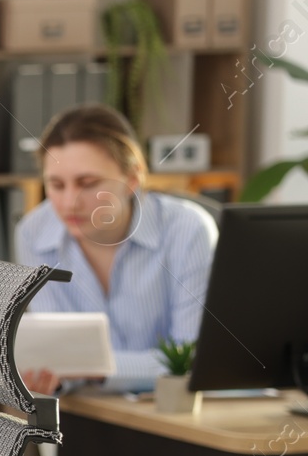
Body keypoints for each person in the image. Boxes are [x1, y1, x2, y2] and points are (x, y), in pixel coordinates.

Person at [16, 104, 216, 396]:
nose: (70, 202)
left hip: (173, 414)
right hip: (87, 415)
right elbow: (59, 360)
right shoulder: (33, 233)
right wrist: (52, 375)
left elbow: (188, 361)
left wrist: (91, 367)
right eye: (56, 185)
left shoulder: (188, 230)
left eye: (88, 183)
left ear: (132, 178)